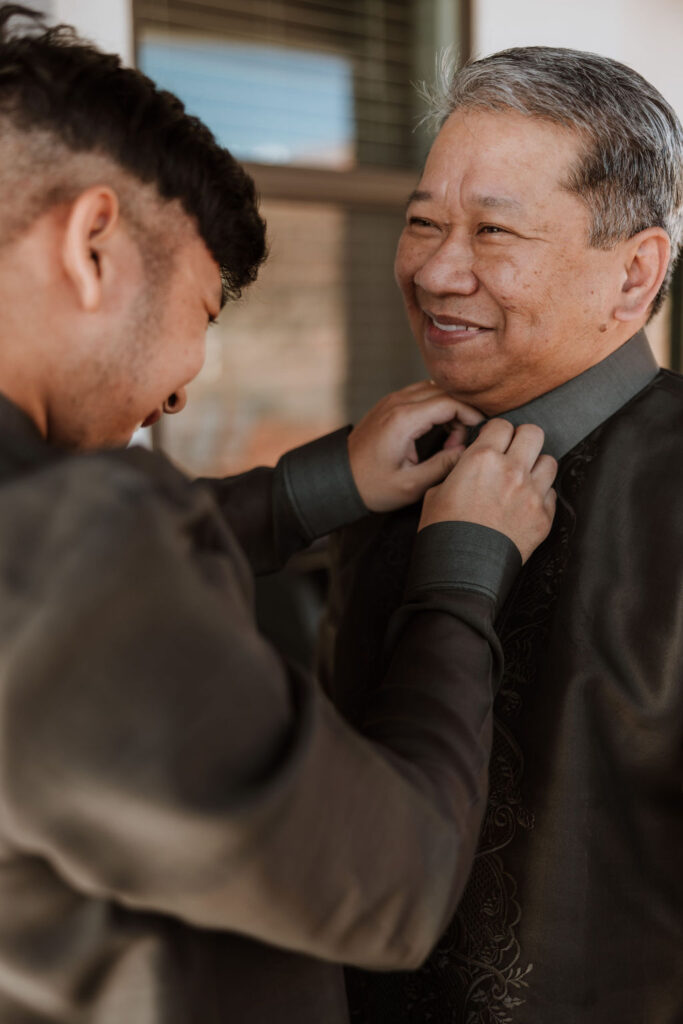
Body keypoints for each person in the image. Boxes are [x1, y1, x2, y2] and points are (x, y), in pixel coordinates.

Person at [0, 8, 558, 1023]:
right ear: (91, 246)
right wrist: (460, 570)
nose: (178, 393)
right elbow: (394, 882)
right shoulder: (72, 550)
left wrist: (316, 486)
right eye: (202, 316)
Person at [322, 46, 683, 1024]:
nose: (437, 270)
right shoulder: (382, 465)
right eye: (423, 222)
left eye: (491, 231)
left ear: (633, 272)